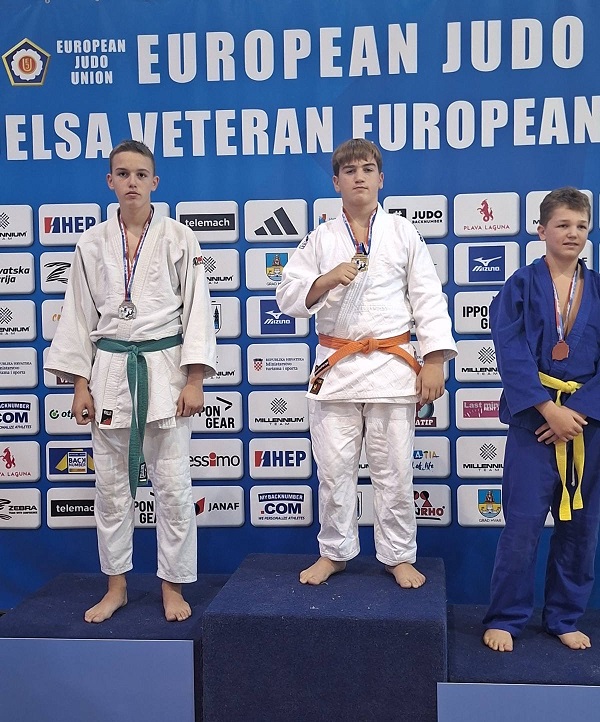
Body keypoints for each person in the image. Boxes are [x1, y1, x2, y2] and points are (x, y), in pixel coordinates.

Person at [45, 140, 217, 623]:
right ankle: (116, 586)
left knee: (173, 488)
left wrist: (195, 379)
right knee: (111, 490)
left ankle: (172, 586)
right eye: (123, 174)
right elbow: (79, 317)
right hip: (110, 373)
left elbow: (198, 311)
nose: (132, 182)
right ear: (110, 182)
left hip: (164, 373)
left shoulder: (180, 238)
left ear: (155, 182)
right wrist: (80, 384)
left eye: (141, 174)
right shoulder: (91, 243)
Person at [276, 138, 456, 588]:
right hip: (337, 368)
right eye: (350, 170)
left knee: (394, 471)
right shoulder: (320, 238)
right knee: (334, 471)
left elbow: (428, 299)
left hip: (392, 368)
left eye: (367, 169)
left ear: (381, 179)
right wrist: (325, 279)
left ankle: (398, 555)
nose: (359, 176)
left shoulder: (403, 232)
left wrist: (434, 360)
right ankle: (334, 552)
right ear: (336, 182)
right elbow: (287, 296)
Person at [482, 187, 600, 652]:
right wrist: (547, 409)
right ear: (541, 230)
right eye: (563, 224)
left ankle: (564, 616)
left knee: (581, 529)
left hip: (587, 427)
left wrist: (579, 411)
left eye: (581, 226)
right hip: (534, 425)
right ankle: (506, 618)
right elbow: (509, 352)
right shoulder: (520, 285)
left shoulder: (598, 288)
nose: (573, 233)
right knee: (522, 526)